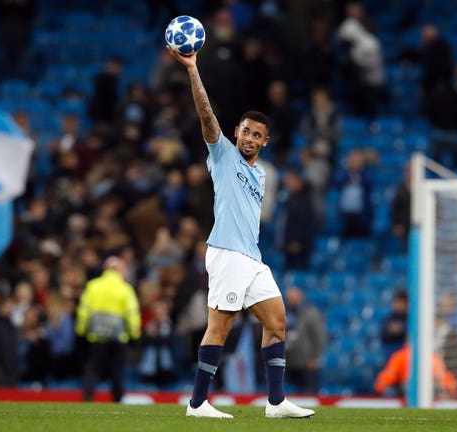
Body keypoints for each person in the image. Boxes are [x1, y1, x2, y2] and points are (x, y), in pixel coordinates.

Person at [167, 45, 315, 419]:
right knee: (220, 327)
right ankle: (197, 404)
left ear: (265, 142)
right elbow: (205, 114)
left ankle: (277, 402)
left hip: (252, 258)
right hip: (227, 254)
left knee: (277, 321)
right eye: (245, 131)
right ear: (236, 132)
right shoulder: (223, 154)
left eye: (256, 135)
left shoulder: (262, 175)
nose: (249, 138)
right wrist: (192, 70)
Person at [75, 256, 141, 402]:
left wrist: (81, 331)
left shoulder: (93, 286)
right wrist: (134, 334)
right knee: (117, 370)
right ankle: (117, 399)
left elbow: (84, 311)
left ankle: (88, 396)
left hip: (96, 335)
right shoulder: (125, 289)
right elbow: (132, 314)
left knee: (93, 367)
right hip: (119, 336)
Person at [374, 343, 457, 398]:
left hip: (410, 389)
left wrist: (382, 387)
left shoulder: (400, 356)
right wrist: (451, 388)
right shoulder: (432, 357)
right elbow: (444, 377)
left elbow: (388, 377)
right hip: (420, 391)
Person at [284, 287, 327, 394]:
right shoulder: (286, 312)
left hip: (306, 360)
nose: (290, 300)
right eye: (289, 298)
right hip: (289, 359)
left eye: (293, 297)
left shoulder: (310, 313)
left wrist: (316, 357)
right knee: (291, 391)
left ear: (300, 297)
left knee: (308, 390)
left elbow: (319, 336)